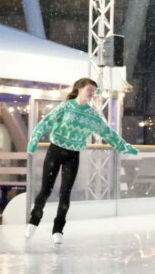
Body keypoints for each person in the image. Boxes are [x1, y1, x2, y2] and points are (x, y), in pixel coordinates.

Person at [25, 77, 138, 246]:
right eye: (89, 89)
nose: (92, 93)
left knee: (65, 193)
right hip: (56, 150)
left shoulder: (92, 115)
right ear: (79, 89)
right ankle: (33, 221)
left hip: (73, 154)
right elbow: (46, 122)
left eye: (94, 90)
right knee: (46, 190)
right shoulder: (66, 106)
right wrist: (34, 139)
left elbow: (107, 132)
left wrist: (123, 146)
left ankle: (58, 230)